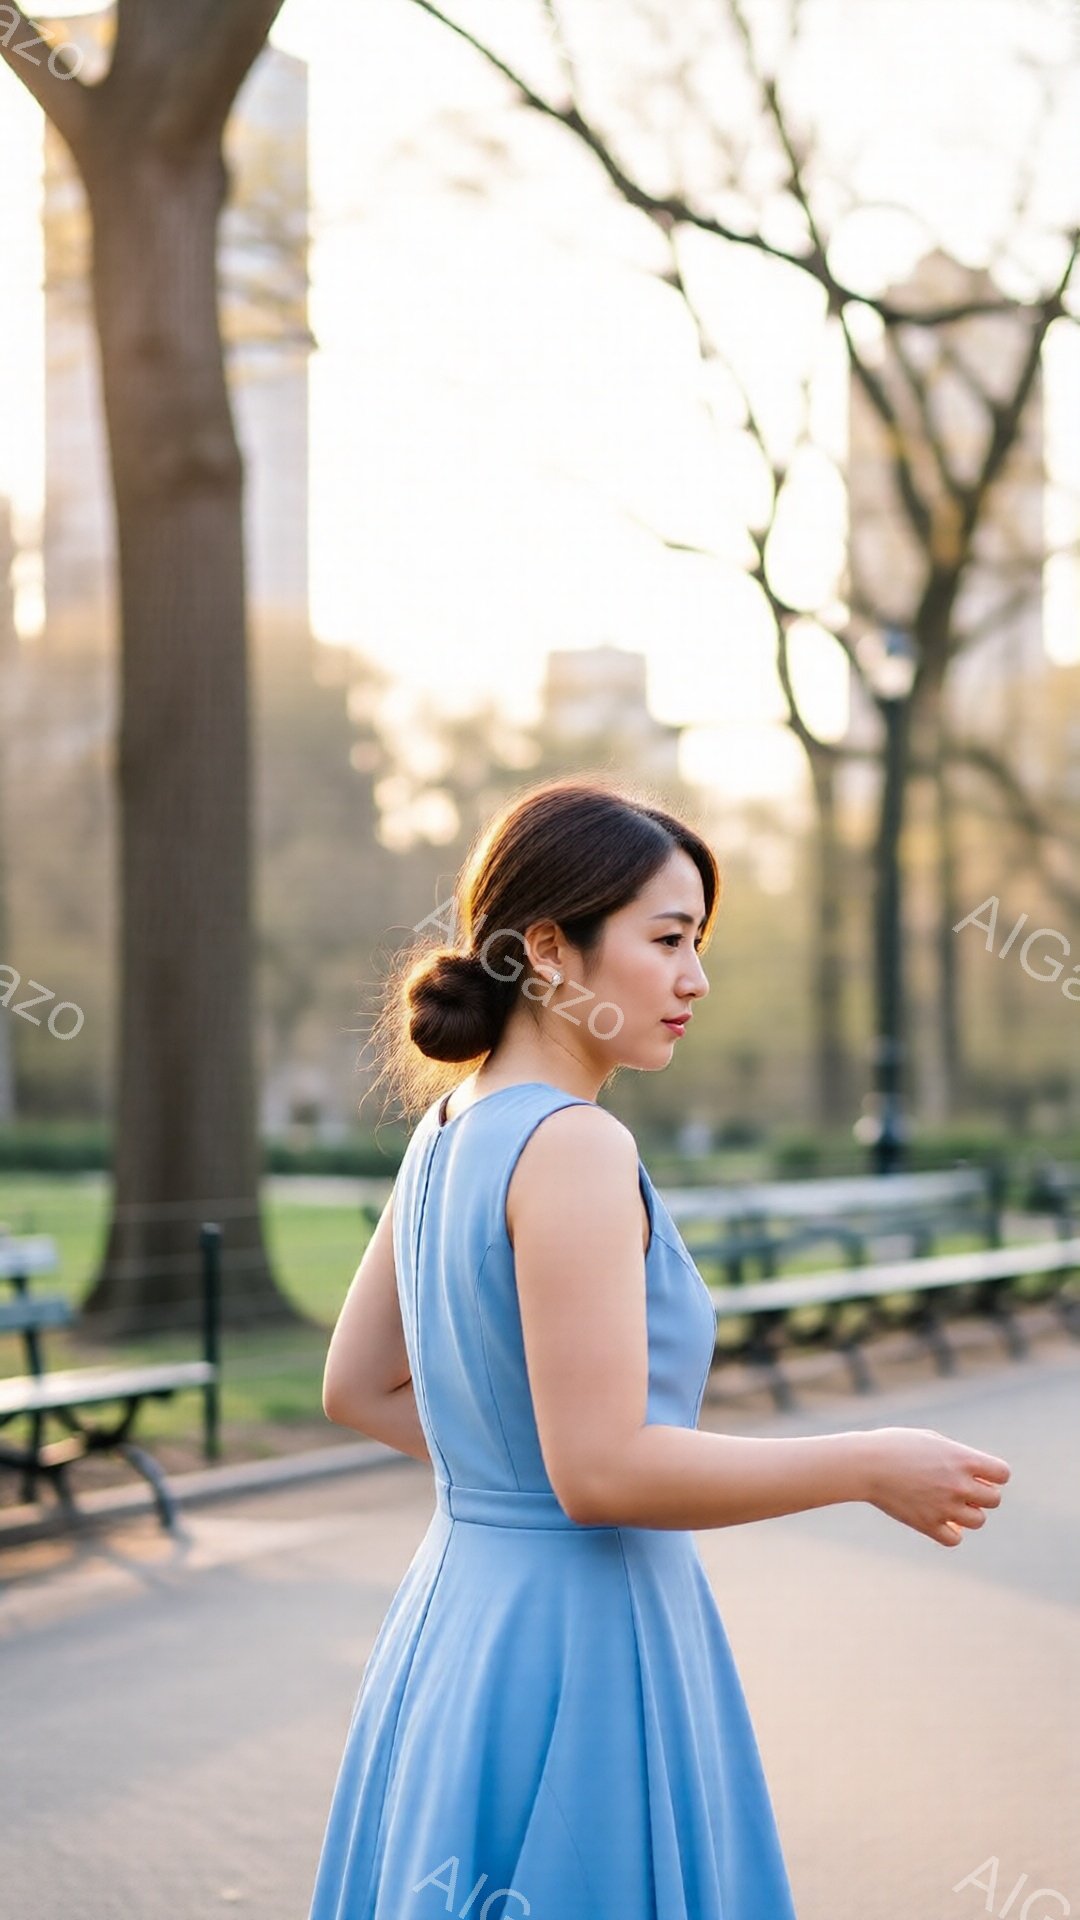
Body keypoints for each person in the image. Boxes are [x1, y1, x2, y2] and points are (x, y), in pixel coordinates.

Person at [307, 775, 1011, 1920]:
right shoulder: (573, 1145)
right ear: (549, 949)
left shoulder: (448, 1124)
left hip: (460, 1624)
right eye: (668, 939)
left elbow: (356, 1387)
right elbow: (603, 1472)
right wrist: (869, 1463)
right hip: (579, 1639)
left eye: (699, 944)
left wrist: (511, 1479)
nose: (696, 979)